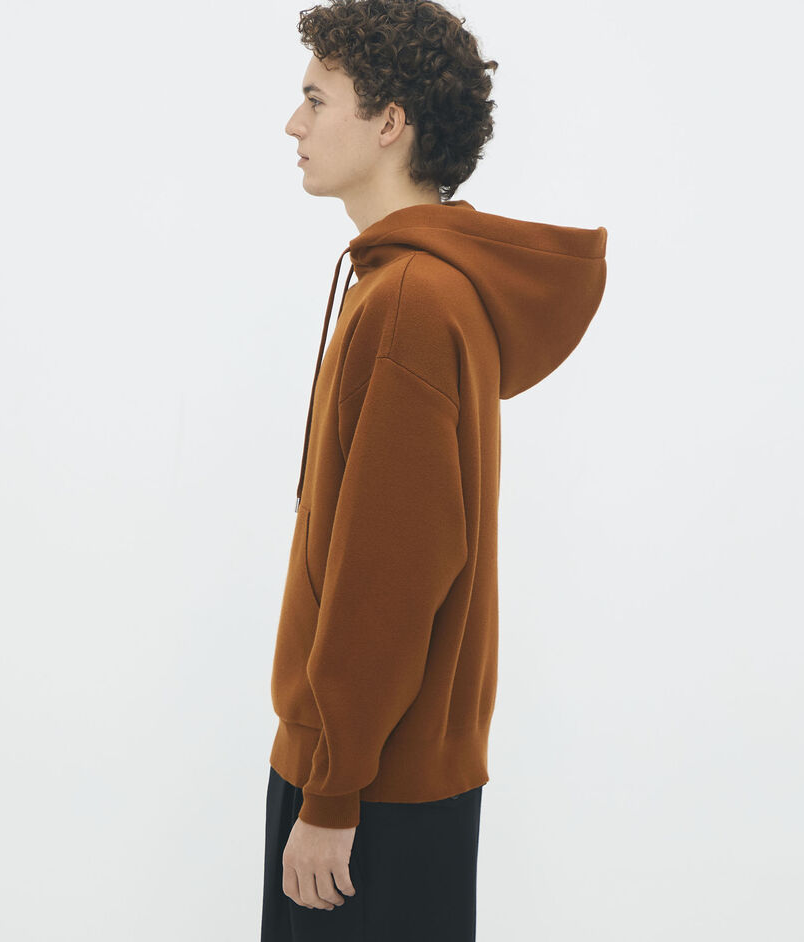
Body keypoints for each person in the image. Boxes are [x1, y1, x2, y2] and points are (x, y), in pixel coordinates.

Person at [261, 1, 608, 939]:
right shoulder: (405, 285)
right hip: (381, 774)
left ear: (389, 121)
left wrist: (331, 793)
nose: (292, 124)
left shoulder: (412, 299)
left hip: (368, 791)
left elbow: (392, 574)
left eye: (314, 99)